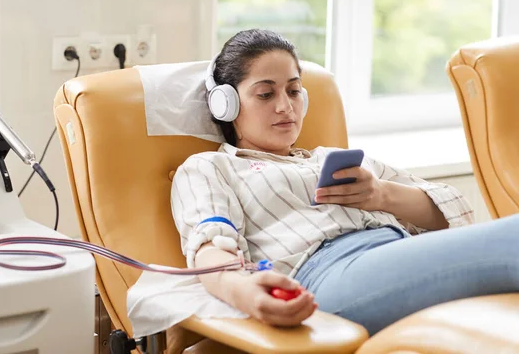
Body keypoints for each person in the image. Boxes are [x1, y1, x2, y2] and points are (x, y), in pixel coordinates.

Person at [170, 29, 519, 335]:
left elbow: (453, 211)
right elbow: (210, 248)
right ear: (226, 105)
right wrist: (242, 292)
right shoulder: (210, 167)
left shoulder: (336, 159)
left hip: (393, 253)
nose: (285, 107)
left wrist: (381, 194)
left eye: (293, 91)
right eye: (266, 94)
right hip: (327, 277)